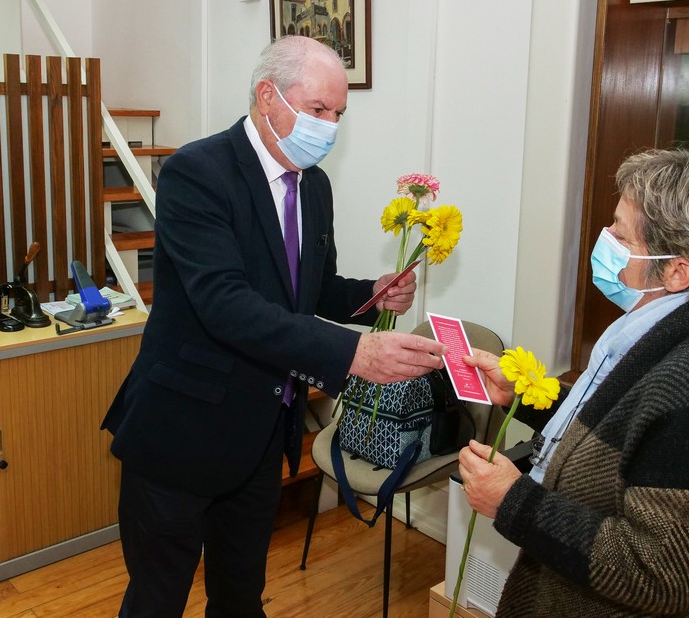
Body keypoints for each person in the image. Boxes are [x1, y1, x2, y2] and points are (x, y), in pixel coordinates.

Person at [101, 35, 447, 618]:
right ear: (268, 96)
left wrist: (370, 293)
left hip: (261, 432)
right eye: (318, 110)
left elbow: (311, 289)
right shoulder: (198, 171)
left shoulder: (315, 185)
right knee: (156, 601)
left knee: (240, 598)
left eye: (338, 113)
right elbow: (225, 303)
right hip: (181, 434)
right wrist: (354, 354)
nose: (330, 126)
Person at [458, 148, 689, 617]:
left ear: (677, 271)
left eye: (621, 234)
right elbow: (626, 431)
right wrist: (524, 397)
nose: (603, 239)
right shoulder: (678, 329)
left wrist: (514, 502)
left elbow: (659, 573)